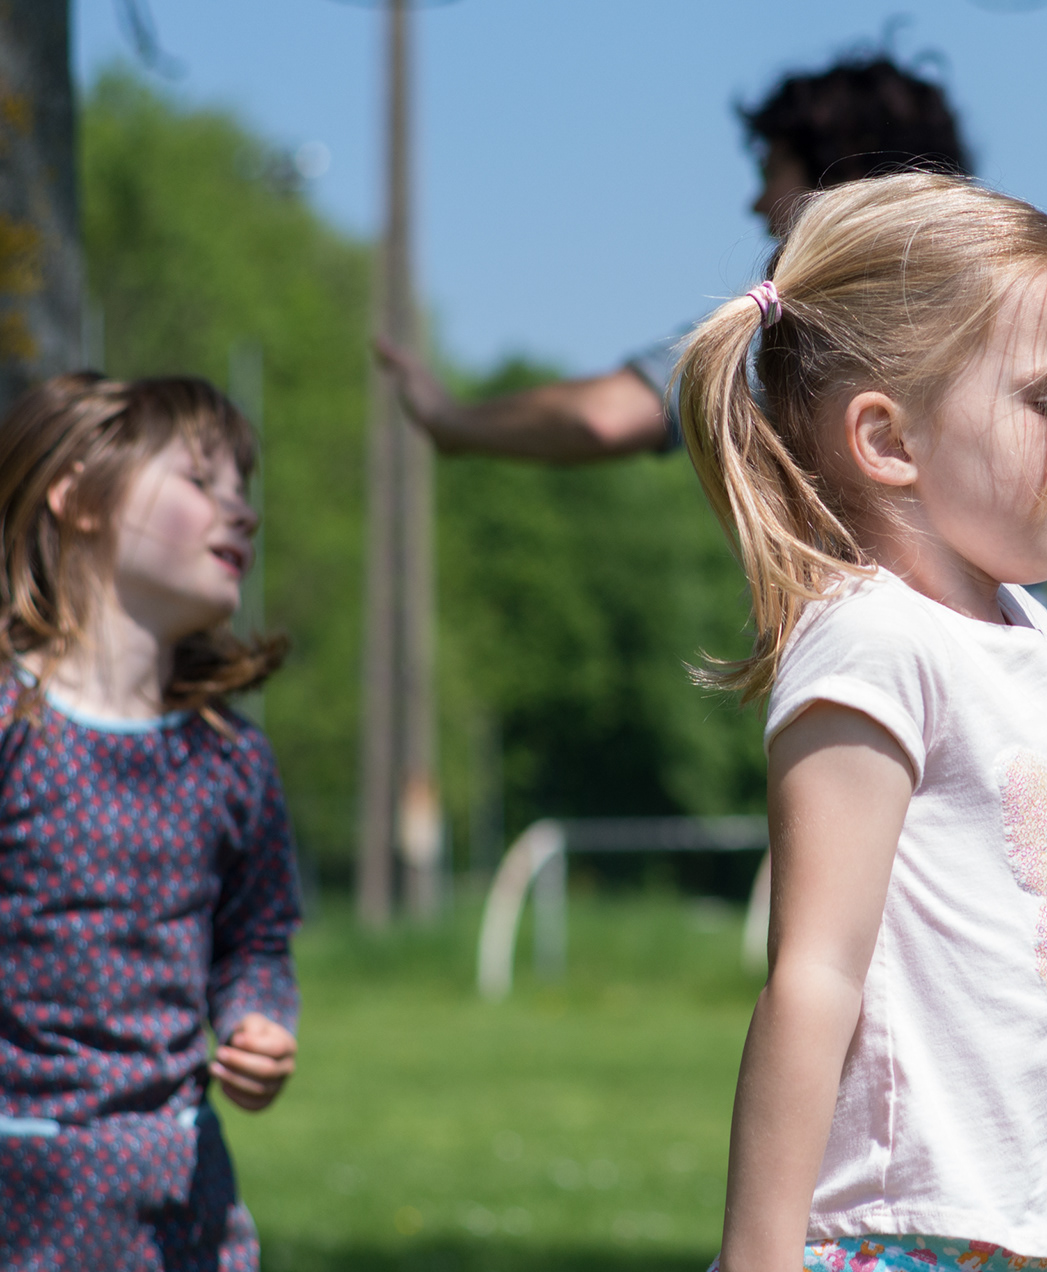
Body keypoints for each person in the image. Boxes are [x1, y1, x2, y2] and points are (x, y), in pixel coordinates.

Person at [678, 173, 1047, 1272]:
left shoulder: (1025, 626)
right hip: (904, 1235)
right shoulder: (873, 640)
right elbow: (814, 975)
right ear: (888, 440)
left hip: (1022, 1234)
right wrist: (757, 1257)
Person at [0, 374, 300, 1271]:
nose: (242, 511)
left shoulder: (231, 760)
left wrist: (257, 1020)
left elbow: (254, 941)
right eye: (201, 481)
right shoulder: (9, 727)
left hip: (183, 1210)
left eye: (243, 488)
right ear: (80, 495)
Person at [373, 52, 972, 461]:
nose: (757, 203)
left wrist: (451, 422)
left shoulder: (805, 326)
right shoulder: (1005, 300)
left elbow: (605, 417)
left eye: (771, 172)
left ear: (840, 177)